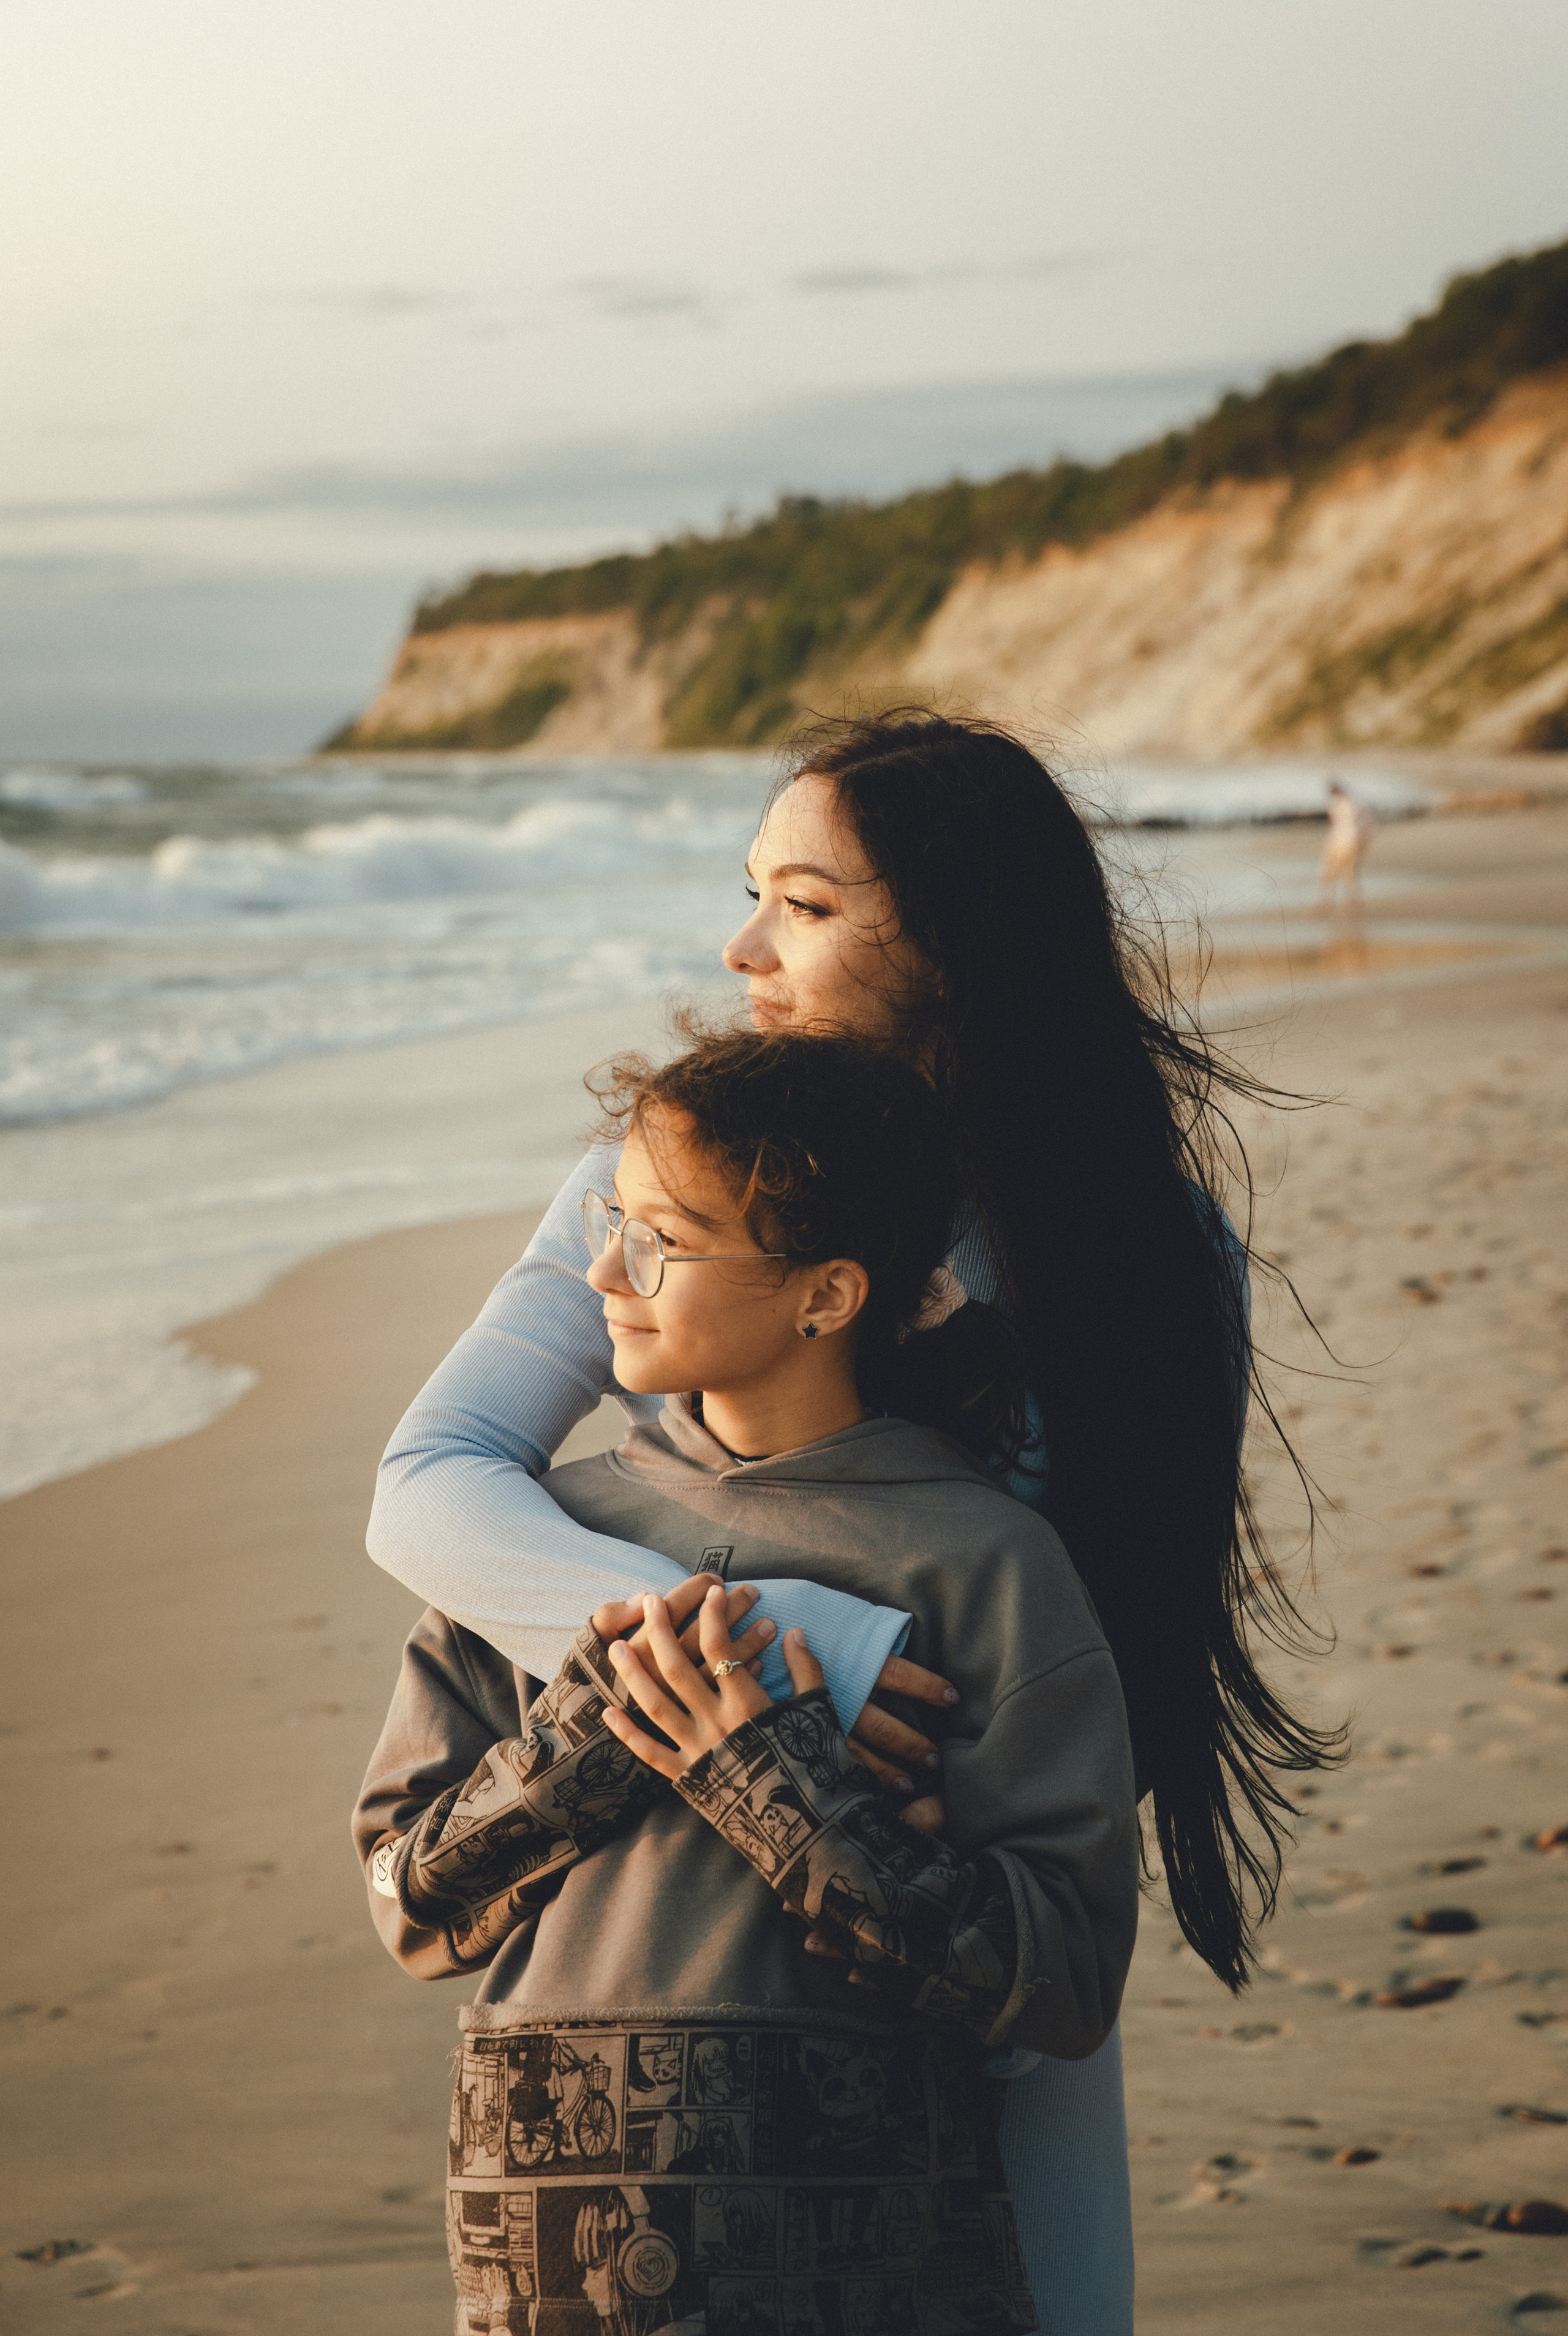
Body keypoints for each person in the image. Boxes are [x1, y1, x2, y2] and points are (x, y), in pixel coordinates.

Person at [366, 710, 1340, 2333]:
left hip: (982, 1925)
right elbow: (434, 1485)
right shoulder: (653, 1186)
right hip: (670, 1952)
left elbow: (1120, 1623)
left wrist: (986, 1930)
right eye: (753, 891)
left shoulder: (1149, 1241)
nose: (745, 946)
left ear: (959, 941)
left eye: (808, 907)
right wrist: (790, 1657)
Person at [356, 1028, 1140, 2336]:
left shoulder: (982, 1564)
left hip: (867, 2268)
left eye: (662, 1240)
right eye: (615, 1220)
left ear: (825, 1295)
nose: (604, 1270)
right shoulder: (537, 1544)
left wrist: (775, 1786)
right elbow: (406, 1901)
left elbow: (1057, 1981)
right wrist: (609, 1717)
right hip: (538, 2272)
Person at [1317, 780, 1378, 906]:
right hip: (1351, 839)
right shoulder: (1355, 802)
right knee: (1350, 871)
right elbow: (1368, 820)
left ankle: (1326, 901)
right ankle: (1353, 900)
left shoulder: (1338, 803)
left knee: (1329, 870)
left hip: (1340, 840)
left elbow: (1332, 821)